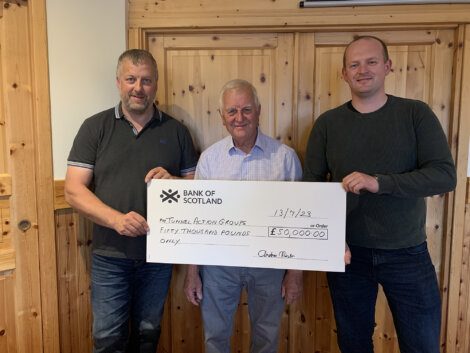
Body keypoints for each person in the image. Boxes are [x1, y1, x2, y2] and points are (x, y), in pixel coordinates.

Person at [303, 35, 457, 353]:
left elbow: (444, 176)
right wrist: (329, 237)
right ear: (344, 73)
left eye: (371, 61)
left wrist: (380, 182)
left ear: (388, 66)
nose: (363, 70)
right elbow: (312, 187)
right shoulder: (327, 124)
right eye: (354, 64)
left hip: (408, 254)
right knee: (354, 344)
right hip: (348, 256)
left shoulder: (416, 114)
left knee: (422, 345)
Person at [64, 49, 198, 353]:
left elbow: (196, 191)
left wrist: (176, 182)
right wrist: (117, 220)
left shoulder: (176, 131)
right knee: (108, 338)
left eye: (146, 80)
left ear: (156, 84)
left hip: (159, 257)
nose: (139, 87)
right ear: (118, 82)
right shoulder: (94, 127)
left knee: (148, 336)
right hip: (111, 255)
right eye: (131, 79)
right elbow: (73, 190)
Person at [183, 79, 303, 353]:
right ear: (222, 117)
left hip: (270, 266)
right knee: (215, 336)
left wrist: (295, 273)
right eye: (232, 111)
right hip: (218, 266)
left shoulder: (285, 158)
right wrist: (193, 273)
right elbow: (197, 219)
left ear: (259, 111)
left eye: (246, 110)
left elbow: (299, 222)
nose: (239, 118)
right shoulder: (210, 160)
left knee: (267, 336)